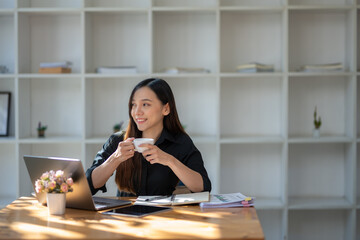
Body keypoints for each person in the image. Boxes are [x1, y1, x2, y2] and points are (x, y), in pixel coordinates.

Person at [86, 78, 212, 196]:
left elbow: (203, 187)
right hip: (124, 216)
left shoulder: (180, 142)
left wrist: (169, 160)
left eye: (145, 104)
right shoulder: (118, 140)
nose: (137, 112)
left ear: (166, 109)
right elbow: (88, 186)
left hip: (163, 216)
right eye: (133, 105)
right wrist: (115, 158)